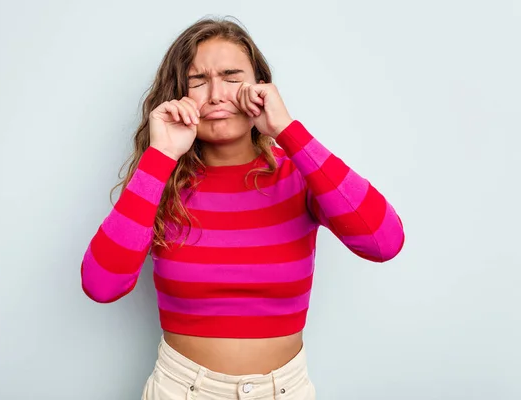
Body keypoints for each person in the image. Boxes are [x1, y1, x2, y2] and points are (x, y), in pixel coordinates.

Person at [80, 16, 405, 400]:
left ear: (261, 87)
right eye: (197, 80)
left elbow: (384, 242)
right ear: (177, 94)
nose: (216, 94)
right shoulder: (159, 184)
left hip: (285, 390)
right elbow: (101, 285)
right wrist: (160, 154)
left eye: (232, 76)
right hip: (181, 390)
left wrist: (287, 129)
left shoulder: (300, 174)